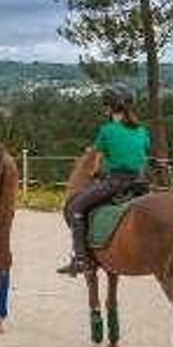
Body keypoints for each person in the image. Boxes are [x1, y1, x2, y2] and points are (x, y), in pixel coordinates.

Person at [57, 85, 151, 276]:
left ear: (109, 108)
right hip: (140, 183)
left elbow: (96, 164)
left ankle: (81, 259)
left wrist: (95, 173)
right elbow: (143, 156)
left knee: (76, 208)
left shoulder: (106, 130)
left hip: (116, 182)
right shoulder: (142, 131)